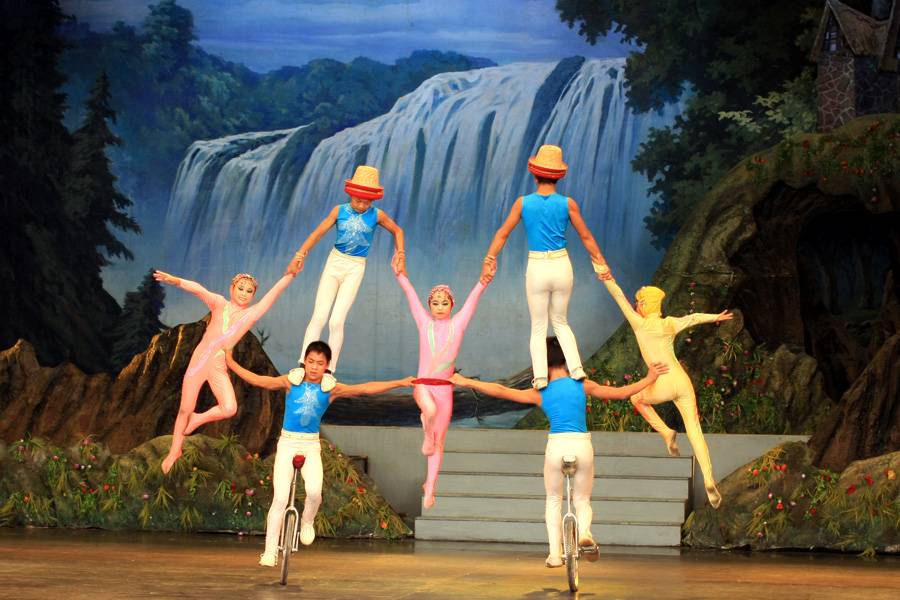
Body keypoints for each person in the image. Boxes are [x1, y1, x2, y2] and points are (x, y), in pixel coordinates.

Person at [451, 337, 668, 568]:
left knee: (554, 498)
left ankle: (555, 554)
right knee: (581, 499)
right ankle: (585, 533)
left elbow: (501, 391)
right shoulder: (583, 385)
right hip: (581, 445)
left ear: (540, 362)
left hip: (557, 446)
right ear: (567, 359)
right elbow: (622, 393)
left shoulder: (540, 392)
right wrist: (649, 378)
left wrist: (465, 381)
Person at [226, 341, 414, 567]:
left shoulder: (330, 389)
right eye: (311, 362)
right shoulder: (290, 381)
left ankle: (307, 521)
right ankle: (269, 552)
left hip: (310, 445)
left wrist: (399, 382)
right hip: (287, 443)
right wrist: (230, 361)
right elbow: (258, 380)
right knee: (280, 499)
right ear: (304, 362)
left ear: (327, 366)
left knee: (314, 492)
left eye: (320, 363)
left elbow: (365, 388)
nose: (314, 367)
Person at [598, 267, 733, 508]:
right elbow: (693, 318)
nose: (636, 306)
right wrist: (716, 317)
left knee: (636, 398)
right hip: (681, 381)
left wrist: (607, 278)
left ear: (644, 306)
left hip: (661, 382)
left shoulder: (640, 324)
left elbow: (618, 296)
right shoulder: (669, 323)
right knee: (694, 429)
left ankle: (666, 432)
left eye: (638, 303)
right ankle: (709, 478)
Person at [480, 144, 608, 390]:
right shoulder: (568, 204)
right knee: (560, 321)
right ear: (558, 176)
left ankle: (540, 377)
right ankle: (576, 368)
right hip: (561, 265)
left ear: (535, 174)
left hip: (537, 267)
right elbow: (586, 237)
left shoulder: (523, 203)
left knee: (538, 326)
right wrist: (601, 263)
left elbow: (503, 233)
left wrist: (489, 260)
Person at [153, 268, 295, 473]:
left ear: (253, 295)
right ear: (231, 288)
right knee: (185, 408)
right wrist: (176, 281)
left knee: (229, 408)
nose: (244, 293)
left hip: (218, 365)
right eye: (240, 288)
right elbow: (199, 290)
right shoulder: (219, 304)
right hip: (199, 362)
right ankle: (175, 450)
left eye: (249, 291)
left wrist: (290, 275)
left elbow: (274, 294)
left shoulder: (251, 314)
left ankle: (198, 418)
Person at [288, 165, 405, 379]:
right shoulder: (339, 211)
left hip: (355, 266)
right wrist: (299, 255)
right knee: (319, 316)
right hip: (335, 262)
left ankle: (329, 371)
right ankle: (302, 364)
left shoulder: (377, 215)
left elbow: (398, 231)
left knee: (336, 321)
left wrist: (401, 255)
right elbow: (317, 233)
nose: (361, 205)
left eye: (366, 202)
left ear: (373, 199)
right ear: (351, 194)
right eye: (358, 200)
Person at [395, 268, 488, 508]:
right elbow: (411, 295)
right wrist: (401, 275)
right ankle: (427, 426)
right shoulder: (424, 322)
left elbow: (472, 302)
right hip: (423, 385)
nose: (439, 307)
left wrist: (482, 282)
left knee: (439, 443)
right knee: (429, 410)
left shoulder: (458, 324)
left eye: (444, 303)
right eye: (435, 303)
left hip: (445, 390)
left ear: (452, 305)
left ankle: (430, 487)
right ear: (429, 305)